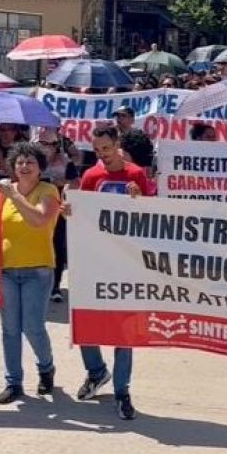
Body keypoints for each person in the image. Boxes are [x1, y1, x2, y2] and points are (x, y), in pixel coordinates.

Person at [75, 125, 154, 421]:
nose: (102, 156)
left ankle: (123, 391)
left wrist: (140, 202)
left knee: (124, 331)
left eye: (106, 149)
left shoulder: (136, 175)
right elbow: (83, 216)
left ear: (117, 145)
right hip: (95, 261)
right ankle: (96, 373)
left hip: (127, 264)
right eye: (96, 151)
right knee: (86, 321)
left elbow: (152, 222)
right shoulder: (91, 177)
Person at [0, 144, 62, 404]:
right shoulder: (2, 192)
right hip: (7, 270)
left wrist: (14, 196)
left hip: (38, 270)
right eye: (20, 162)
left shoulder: (48, 191)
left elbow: (40, 221)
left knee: (32, 327)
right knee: (10, 329)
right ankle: (13, 382)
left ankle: (46, 367)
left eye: (30, 162)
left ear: (39, 168)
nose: (24, 167)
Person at [34, 127, 79, 302]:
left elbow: (74, 182)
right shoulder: (31, 161)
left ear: (55, 146)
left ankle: (55, 286)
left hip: (58, 210)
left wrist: (60, 184)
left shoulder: (65, 161)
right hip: (36, 208)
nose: (43, 147)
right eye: (40, 143)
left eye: (47, 144)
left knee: (57, 246)